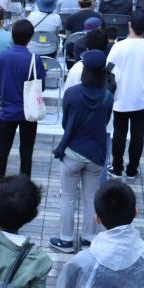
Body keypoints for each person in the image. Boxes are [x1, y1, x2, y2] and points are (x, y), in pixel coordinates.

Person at [50, 51, 114, 253]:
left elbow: (65, 122)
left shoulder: (72, 94)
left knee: (68, 197)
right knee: (90, 197)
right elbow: (104, 123)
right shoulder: (108, 97)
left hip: (73, 152)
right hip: (96, 154)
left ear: (85, 70)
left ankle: (66, 240)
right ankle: (89, 239)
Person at [106, 11, 144, 179]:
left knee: (119, 132)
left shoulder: (118, 46)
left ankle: (117, 168)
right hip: (142, 99)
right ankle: (132, 169)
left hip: (120, 97)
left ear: (129, 25)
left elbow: (108, 68)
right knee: (138, 134)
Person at [0, 19, 46, 182]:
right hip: (28, 112)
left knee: (2, 151)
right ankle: (25, 184)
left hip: (7, 111)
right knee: (26, 152)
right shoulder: (34, 59)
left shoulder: (2, 57)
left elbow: (0, 85)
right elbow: (40, 87)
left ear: (12, 35)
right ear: (30, 38)